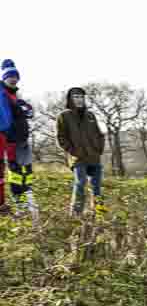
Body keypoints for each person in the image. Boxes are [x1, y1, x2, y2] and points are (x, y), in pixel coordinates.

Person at [56, 87, 106, 218]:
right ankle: (76, 214)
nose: (79, 100)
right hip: (78, 158)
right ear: (70, 99)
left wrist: (99, 148)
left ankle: (99, 213)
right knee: (81, 182)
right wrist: (73, 151)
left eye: (81, 97)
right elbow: (60, 137)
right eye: (76, 97)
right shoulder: (64, 116)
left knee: (97, 187)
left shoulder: (90, 115)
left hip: (94, 157)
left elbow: (99, 133)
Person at [0, 59, 38, 220]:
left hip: (22, 140)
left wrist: (26, 109)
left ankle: (28, 206)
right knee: (15, 174)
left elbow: (26, 112)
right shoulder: (3, 94)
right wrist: (8, 133)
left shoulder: (14, 96)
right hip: (11, 140)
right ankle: (21, 208)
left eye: (15, 76)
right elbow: (6, 120)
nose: (13, 78)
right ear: (4, 78)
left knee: (26, 174)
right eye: (9, 76)